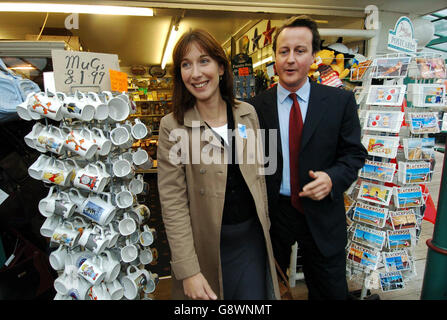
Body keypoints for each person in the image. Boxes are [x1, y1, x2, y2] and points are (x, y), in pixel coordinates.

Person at [249, 15, 367, 300]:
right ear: (274, 57)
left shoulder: (340, 102)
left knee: (330, 291)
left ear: (314, 55)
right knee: (267, 290)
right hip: (273, 215)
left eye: (300, 51)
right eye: (283, 51)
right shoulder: (253, 108)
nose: (290, 59)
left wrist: (332, 178)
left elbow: (354, 153)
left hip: (323, 213)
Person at [157, 29, 280, 300]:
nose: (196, 73)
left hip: (251, 242)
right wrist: (188, 271)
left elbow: (259, 177)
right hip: (205, 249)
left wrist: (267, 227)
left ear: (221, 67)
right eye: (186, 65)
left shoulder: (248, 114)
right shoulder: (172, 126)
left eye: (204, 61)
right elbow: (173, 204)